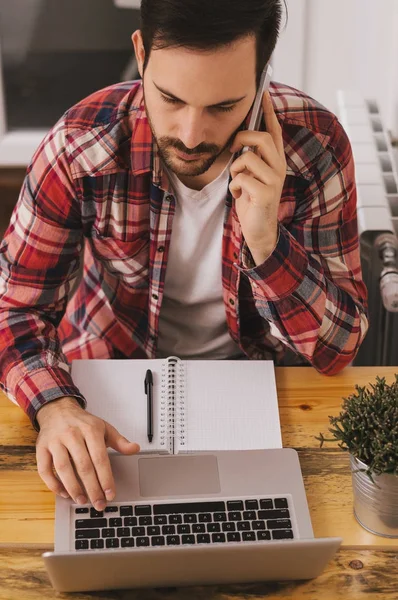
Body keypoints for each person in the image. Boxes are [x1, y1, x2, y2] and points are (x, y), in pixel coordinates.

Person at [0, 0, 368, 512]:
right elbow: (15, 309)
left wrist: (267, 243)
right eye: (170, 98)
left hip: (252, 392)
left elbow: (339, 349)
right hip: (105, 382)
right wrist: (55, 406)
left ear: (262, 75)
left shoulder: (316, 145)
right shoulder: (79, 144)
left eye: (222, 106)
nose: (192, 135)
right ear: (141, 54)